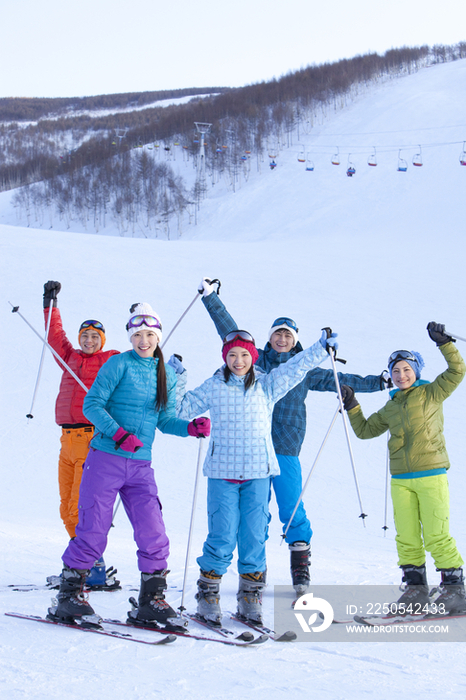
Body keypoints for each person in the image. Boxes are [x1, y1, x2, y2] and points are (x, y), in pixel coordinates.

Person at [197, 278, 388, 594]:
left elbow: (343, 378)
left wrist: (380, 383)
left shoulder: (304, 369)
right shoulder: (252, 360)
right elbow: (228, 332)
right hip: (250, 450)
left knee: (291, 507)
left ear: (295, 341)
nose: (282, 338)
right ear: (269, 339)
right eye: (277, 334)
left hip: (285, 444)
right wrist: (211, 299)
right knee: (254, 516)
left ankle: (300, 570)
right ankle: (254, 574)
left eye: (287, 334)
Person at [48, 303, 210, 626]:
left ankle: (151, 600)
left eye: (150, 335)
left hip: (140, 466)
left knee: (154, 531)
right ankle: (69, 596)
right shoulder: (118, 364)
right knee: (93, 529)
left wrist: (189, 428)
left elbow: (165, 420)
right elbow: (92, 405)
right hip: (106, 458)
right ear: (131, 336)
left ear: (158, 337)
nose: (144, 341)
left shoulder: (163, 373)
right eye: (138, 334)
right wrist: (119, 435)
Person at [177, 327, 338, 624]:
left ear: (252, 357)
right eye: (232, 355)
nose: (238, 361)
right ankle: (208, 593)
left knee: (253, 536)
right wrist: (176, 379)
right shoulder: (214, 385)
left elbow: (296, 366)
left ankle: (250, 594)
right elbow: (181, 408)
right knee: (222, 533)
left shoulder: (268, 385)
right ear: (225, 358)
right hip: (222, 474)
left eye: (244, 355)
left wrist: (319, 347)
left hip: (258, 473)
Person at [340, 322, 466, 615]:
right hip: (401, 479)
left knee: (437, 535)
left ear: (416, 371)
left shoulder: (432, 393)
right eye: (396, 371)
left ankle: (455, 591)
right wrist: (353, 405)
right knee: (407, 536)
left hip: (432, 474)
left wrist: (445, 344)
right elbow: (366, 430)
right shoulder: (391, 406)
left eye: (406, 370)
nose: (401, 375)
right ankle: (415, 591)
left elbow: (457, 371)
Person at [43, 280, 120, 590]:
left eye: (94, 337)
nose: (89, 341)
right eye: (85, 336)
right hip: (67, 440)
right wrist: (50, 303)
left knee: (80, 505)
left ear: (102, 340)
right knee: (65, 506)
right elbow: (54, 335)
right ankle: (82, 561)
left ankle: (92, 566)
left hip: (92, 439)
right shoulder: (70, 358)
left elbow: (138, 358)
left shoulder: (109, 360)